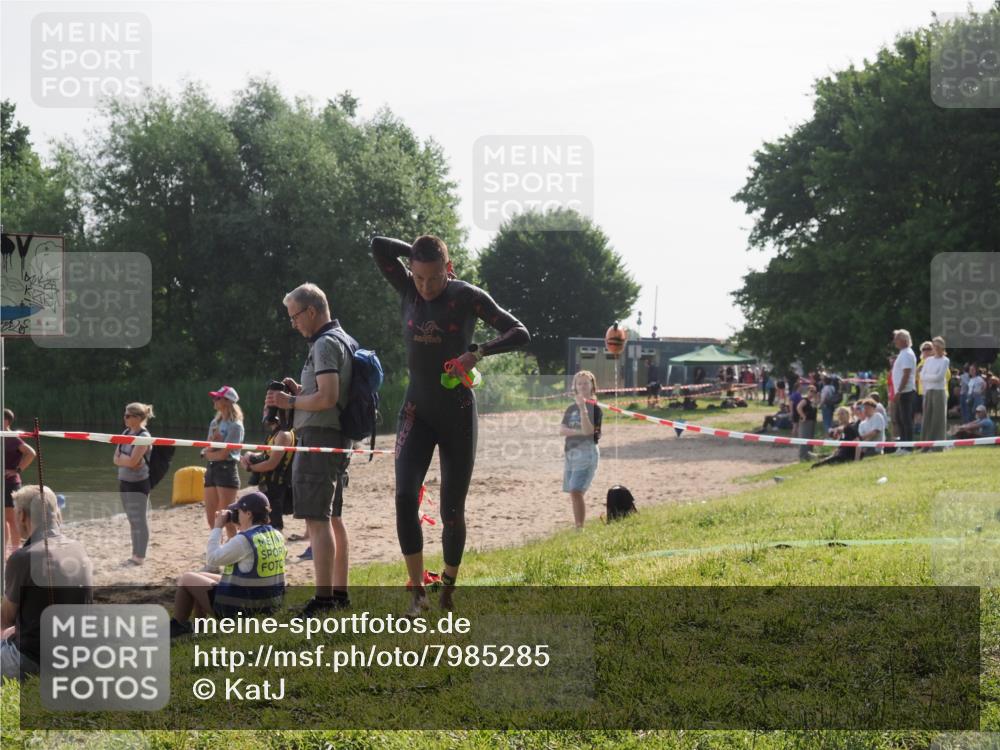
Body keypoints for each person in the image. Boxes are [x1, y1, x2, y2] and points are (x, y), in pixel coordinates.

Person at [372, 235, 530, 615]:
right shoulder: (407, 288)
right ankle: (417, 594)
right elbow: (378, 245)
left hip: (457, 410)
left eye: (435, 278)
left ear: (450, 269)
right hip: (416, 410)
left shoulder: (465, 296)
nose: (426, 287)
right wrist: (416, 254)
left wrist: (477, 352)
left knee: (451, 510)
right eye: (420, 277)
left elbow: (520, 333)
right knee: (404, 496)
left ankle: (448, 587)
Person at [264, 283, 354, 616]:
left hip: (320, 438)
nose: (294, 323)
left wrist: (290, 401)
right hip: (335, 437)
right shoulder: (342, 339)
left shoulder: (325, 344)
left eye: (295, 316)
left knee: (317, 520)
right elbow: (327, 394)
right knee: (334, 518)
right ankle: (339, 594)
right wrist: (301, 392)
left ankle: (325, 599)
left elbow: (328, 397)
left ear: (311, 311)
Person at [1, 485, 93, 678]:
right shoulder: (78, 548)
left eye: (17, 513)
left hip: (35, 660)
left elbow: (6, 618)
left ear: (22, 516)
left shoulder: (22, 558)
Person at [170, 492, 286, 637]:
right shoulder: (276, 535)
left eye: (239, 512)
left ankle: (178, 626)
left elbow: (212, 559)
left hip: (243, 610)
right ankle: (199, 629)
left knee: (187, 578)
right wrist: (240, 525)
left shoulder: (244, 540)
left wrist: (217, 527)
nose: (236, 514)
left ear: (248, 514)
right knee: (199, 577)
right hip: (269, 605)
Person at [241, 404, 295, 533]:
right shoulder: (274, 433)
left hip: (276, 484)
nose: (264, 413)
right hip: (268, 483)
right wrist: (250, 456)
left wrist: (250, 468)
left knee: (275, 523)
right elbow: (266, 454)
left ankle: (278, 549)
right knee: (266, 519)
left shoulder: (284, 434)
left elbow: (272, 463)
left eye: (266, 409)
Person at [113, 402, 154, 566]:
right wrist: (125, 461)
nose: (125, 418)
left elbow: (131, 461)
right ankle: (134, 554)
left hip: (138, 483)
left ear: (138, 418)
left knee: (139, 519)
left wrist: (125, 461)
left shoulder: (143, 437)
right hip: (124, 481)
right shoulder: (125, 432)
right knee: (131, 519)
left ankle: (140, 556)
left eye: (128, 415)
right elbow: (115, 458)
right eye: (125, 414)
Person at [560, 370, 603, 530]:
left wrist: (583, 409)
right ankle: (578, 526)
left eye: (586, 383)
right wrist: (578, 432)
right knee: (573, 492)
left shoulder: (595, 409)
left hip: (586, 451)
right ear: (575, 387)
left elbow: (588, 431)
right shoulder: (571, 408)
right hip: (570, 452)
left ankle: (579, 528)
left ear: (592, 385)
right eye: (580, 383)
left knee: (576, 490)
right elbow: (562, 430)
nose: (583, 386)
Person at [201, 386, 245, 540]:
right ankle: (216, 547)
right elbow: (208, 446)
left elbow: (224, 454)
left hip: (227, 469)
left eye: (217, 398)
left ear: (228, 401)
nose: (214, 400)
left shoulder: (236, 426)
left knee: (225, 516)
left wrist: (209, 453)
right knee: (211, 516)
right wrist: (210, 451)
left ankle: (234, 545)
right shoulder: (215, 422)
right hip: (212, 469)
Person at [3, 409, 36, 560]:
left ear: (6, 421)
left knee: (11, 519)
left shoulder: (12, 437)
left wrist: (17, 470)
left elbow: (31, 453)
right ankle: (5, 551)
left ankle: (15, 552)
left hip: (10, 483)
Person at [920, 337, 950, 446]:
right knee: (927, 417)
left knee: (938, 418)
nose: (936, 349)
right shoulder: (928, 360)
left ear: (942, 347)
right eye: (934, 346)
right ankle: (925, 444)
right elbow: (922, 376)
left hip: (939, 391)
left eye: (938, 346)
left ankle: (938, 444)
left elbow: (940, 377)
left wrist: (929, 377)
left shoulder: (945, 360)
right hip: (929, 390)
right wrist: (931, 377)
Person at [891, 329, 916, 450]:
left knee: (906, 420)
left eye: (897, 339)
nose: (894, 341)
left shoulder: (907, 354)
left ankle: (908, 447)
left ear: (904, 340)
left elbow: (906, 374)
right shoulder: (903, 353)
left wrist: (899, 391)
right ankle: (903, 445)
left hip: (905, 392)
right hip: (901, 392)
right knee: (900, 419)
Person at [796, 385, 819, 460]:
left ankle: (809, 455)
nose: (813, 393)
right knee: (804, 438)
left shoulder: (812, 401)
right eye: (811, 391)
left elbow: (816, 405)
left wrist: (816, 397)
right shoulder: (805, 400)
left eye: (814, 391)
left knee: (810, 439)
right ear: (807, 391)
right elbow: (799, 407)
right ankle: (803, 456)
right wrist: (803, 416)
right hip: (806, 422)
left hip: (811, 422)